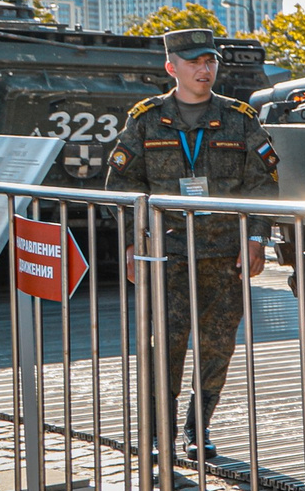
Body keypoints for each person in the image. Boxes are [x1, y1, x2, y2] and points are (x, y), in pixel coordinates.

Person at [104, 28, 276, 458]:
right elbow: (122, 187)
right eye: (196, 62)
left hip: (225, 255)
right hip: (167, 255)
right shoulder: (146, 119)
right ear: (171, 67)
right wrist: (132, 242)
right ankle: (159, 433)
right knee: (166, 345)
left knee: (218, 345)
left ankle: (199, 429)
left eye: (211, 61)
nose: (205, 69)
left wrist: (255, 236)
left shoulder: (239, 118)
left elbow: (263, 185)